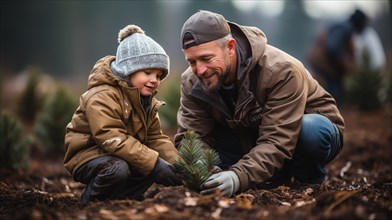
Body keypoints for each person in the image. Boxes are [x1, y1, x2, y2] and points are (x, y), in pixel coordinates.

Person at [175, 10, 345, 197]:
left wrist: (238, 177)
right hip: (247, 137)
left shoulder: (281, 70)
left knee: (310, 131)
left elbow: (277, 139)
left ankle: (308, 179)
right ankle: (269, 173)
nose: (199, 70)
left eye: (207, 59)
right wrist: (199, 166)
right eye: (191, 61)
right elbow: (192, 136)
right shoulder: (191, 82)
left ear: (230, 47)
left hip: (300, 134)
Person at [64, 24, 181, 204]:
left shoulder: (145, 102)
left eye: (158, 76)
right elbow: (110, 136)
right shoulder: (102, 95)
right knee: (121, 168)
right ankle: (89, 203)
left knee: (148, 164)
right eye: (148, 72)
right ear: (128, 70)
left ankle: (122, 200)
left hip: (118, 153)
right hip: (87, 154)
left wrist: (178, 165)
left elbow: (155, 138)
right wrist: (155, 164)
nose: (154, 80)